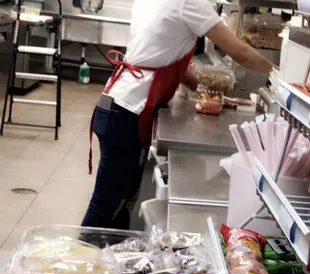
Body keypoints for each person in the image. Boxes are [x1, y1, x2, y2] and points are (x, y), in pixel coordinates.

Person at [81, 0, 275, 230]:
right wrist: (285, 78)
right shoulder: (187, 2)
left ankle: (109, 260)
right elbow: (241, 52)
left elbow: (167, 58)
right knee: (105, 211)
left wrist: (205, 92)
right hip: (126, 114)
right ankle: (77, 260)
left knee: (121, 205)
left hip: (119, 107)